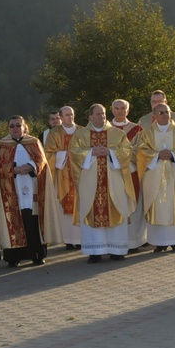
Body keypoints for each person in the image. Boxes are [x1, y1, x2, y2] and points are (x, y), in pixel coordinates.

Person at [0, 115, 62, 267]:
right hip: (12, 189)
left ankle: (37, 255)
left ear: (24, 127)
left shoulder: (34, 142)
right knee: (14, 220)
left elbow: (42, 161)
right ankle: (13, 257)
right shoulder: (1, 144)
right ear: (8, 128)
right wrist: (13, 169)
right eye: (12, 126)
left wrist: (30, 166)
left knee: (33, 221)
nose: (15, 128)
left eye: (18, 125)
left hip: (33, 188)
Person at [69, 104, 136, 263]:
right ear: (90, 117)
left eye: (104, 114)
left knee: (116, 208)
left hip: (113, 182)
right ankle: (95, 252)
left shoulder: (117, 133)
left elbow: (127, 151)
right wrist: (91, 152)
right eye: (98, 114)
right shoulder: (81, 134)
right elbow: (73, 152)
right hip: (90, 183)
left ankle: (117, 250)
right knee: (92, 211)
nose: (102, 117)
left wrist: (110, 152)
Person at [137, 103, 175, 253]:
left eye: (167, 112)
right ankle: (159, 242)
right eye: (161, 113)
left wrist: (172, 154)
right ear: (155, 116)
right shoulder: (148, 133)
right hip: (155, 177)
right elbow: (141, 151)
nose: (165, 115)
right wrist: (157, 155)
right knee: (157, 206)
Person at [110, 99, 146, 252]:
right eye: (116, 108)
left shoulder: (136, 129)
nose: (119, 111)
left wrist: (125, 160)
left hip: (131, 171)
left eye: (122, 108)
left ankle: (133, 241)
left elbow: (141, 149)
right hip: (111, 172)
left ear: (127, 111)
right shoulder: (105, 128)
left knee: (133, 205)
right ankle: (114, 241)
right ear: (112, 110)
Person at [44, 106, 82, 250]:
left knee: (80, 204)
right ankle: (68, 239)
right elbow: (47, 154)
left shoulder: (82, 131)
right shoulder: (54, 133)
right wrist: (63, 154)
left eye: (71, 114)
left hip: (80, 175)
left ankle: (81, 238)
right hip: (62, 176)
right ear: (61, 117)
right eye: (66, 115)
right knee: (64, 207)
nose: (70, 117)